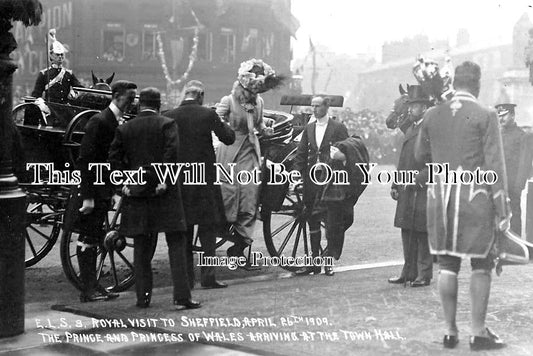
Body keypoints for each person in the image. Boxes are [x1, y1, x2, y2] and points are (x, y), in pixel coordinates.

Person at [415, 61, 508, 350]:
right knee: (481, 264)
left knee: (447, 265)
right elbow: (495, 165)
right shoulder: (487, 114)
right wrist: (503, 210)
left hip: (440, 199)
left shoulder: (432, 113)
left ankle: (449, 331)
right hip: (475, 199)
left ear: (454, 82)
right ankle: (478, 332)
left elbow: (420, 155)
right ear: (477, 84)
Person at [108, 87, 200, 310]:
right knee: (176, 244)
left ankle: (143, 297)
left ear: (139, 104)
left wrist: (124, 185)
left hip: (137, 195)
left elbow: (114, 158)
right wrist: (163, 182)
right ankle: (181, 297)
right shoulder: (167, 124)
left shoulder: (126, 128)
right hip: (164, 194)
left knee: (141, 247)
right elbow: (172, 156)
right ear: (158, 104)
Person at [65, 80, 137, 302]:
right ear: (116, 96)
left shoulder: (113, 121)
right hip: (92, 192)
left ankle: (92, 286)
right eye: (129, 99)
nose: (132, 103)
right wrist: (87, 197)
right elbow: (85, 160)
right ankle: (88, 290)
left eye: (133, 99)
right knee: (88, 238)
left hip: (101, 190)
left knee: (93, 237)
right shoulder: (100, 121)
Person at [164, 80, 235, 289]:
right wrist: (224, 123)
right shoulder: (208, 114)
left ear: (185, 94)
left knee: (184, 230)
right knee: (208, 231)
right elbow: (228, 138)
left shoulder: (169, 115)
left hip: (181, 182)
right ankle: (208, 277)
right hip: (204, 182)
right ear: (201, 95)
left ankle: (187, 279)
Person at [216, 59, 281, 258]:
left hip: (251, 150)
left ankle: (242, 238)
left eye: (258, 92)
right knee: (229, 189)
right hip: (229, 150)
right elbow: (215, 120)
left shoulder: (259, 103)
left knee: (250, 194)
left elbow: (259, 124)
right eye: (253, 90)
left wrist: (266, 130)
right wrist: (224, 131)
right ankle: (224, 224)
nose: (255, 95)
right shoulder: (229, 100)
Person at [293, 95, 349, 276]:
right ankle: (314, 263)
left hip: (331, 180)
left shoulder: (338, 128)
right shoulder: (309, 128)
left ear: (326, 107)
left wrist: (341, 159)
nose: (314, 109)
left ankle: (329, 261)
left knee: (332, 222)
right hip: (311, 179)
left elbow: (347, 150)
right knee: (312, 219)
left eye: (317, 106)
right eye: (312, 106)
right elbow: (301, 153)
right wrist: (297, 173)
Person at [388, 85, 433, 287]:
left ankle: (424, 274)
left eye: (413, 107)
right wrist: (396, 184)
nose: (409, 110)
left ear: (423, 107)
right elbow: (403, 160)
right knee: (407, 230)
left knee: (422, 232)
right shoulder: (412, 128)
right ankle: (408, 271)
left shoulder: (431, 129)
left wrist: (418, 179)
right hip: (407, 188)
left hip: (422, 189)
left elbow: (437, 163)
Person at [495, 101, 532, 235]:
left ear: (513, 116)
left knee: (514, 216)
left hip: (512, 186)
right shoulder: (496, 135)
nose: (501, 119)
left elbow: (524, 163)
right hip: (496, 184)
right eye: (499, 116)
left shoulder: (522, 136)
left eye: (504, 115)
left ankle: (516, 249)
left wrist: (518, 187)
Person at [31, 29, 83, 105]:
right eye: (57, 54)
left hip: (66, 108)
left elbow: (80, 88)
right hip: (50, 109)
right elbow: (36, 94)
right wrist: (41, 103)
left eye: (62, 54)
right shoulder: (44, 74)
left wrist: (75, 93)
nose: (60, 57)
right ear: (51, 55)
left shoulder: (69, 74)